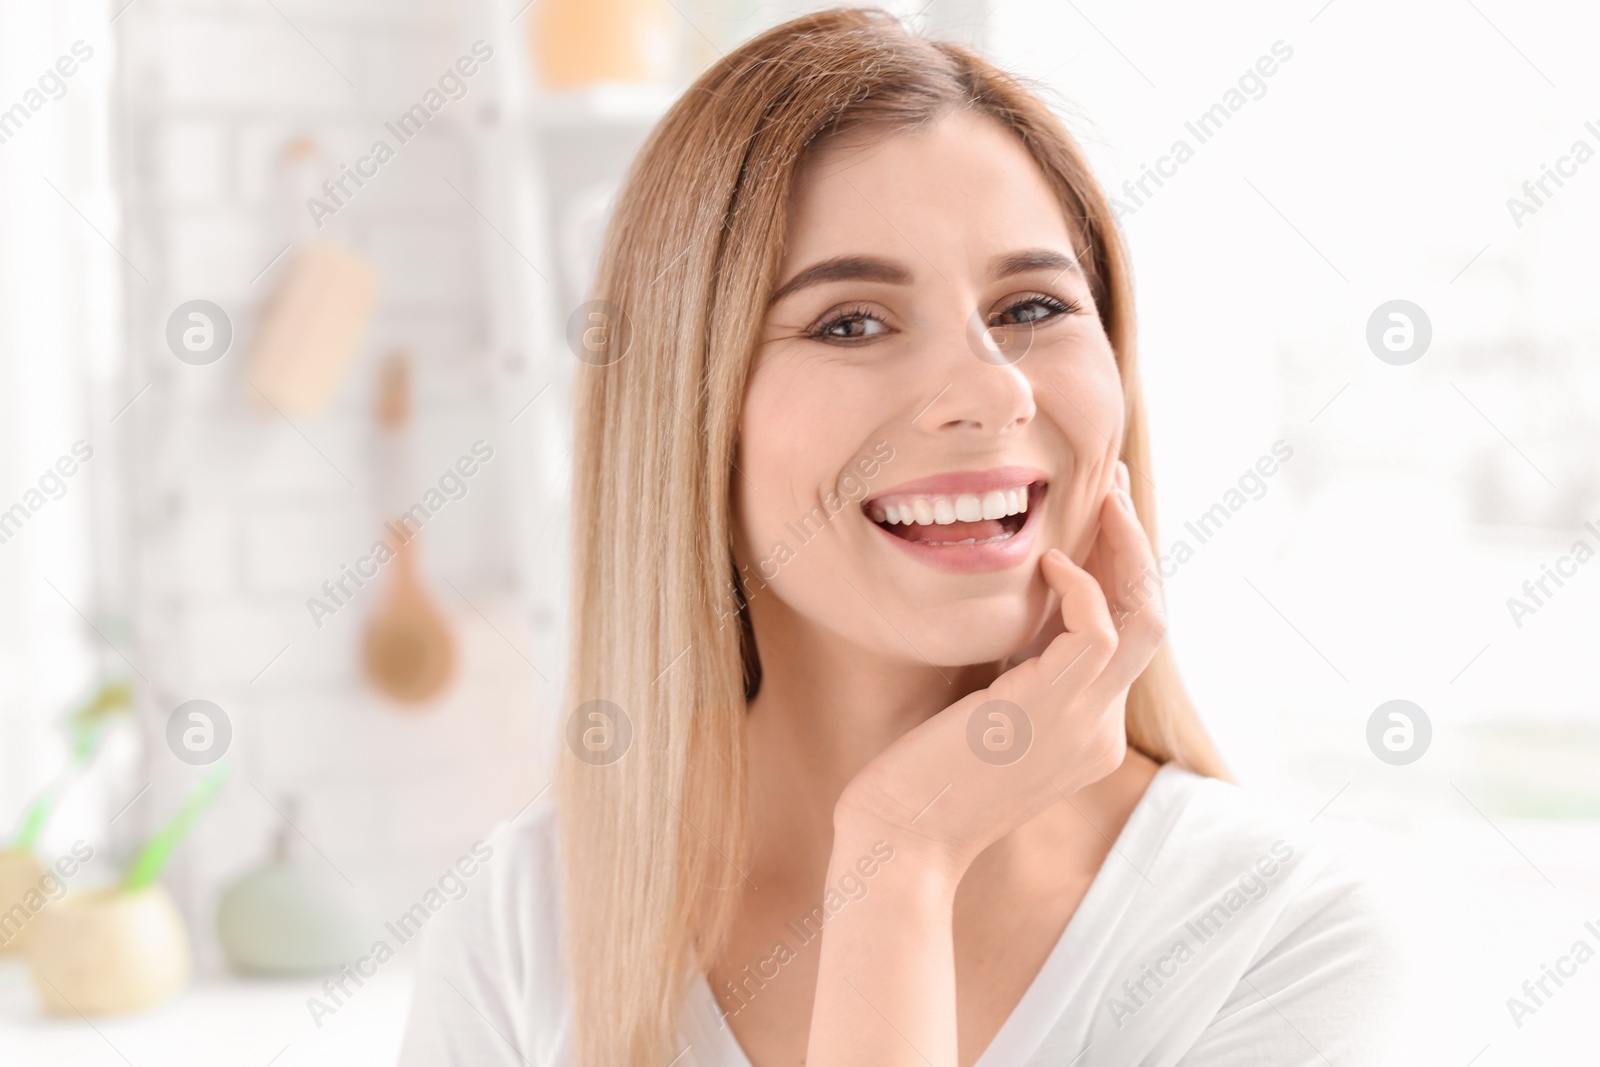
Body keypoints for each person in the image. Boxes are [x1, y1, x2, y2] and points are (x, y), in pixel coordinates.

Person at [399, 8, 1404, 1065]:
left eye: (1031, 304)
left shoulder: (1279, 936)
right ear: (685, 411)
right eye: (850, 323)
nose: (990, 389)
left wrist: (901, 856)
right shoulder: (520, 929)